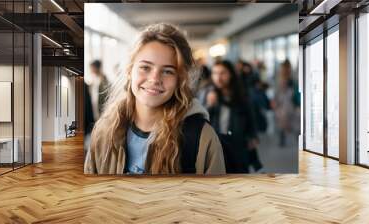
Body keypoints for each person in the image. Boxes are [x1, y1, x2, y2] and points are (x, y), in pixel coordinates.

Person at [84, 23, 225, 175]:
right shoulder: (104, 131)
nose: (155, 79)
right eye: (145, 67)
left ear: (180, 79)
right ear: (130, 71)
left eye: (168, 71)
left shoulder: (202, 138)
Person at [204, 60, 262, 173]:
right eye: (215, 73)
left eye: (222, 73)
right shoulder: (209, 93)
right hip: (218, 144)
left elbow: (250, 117)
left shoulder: (241, 94)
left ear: (230, 74)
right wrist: (209, 105)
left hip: (238, 144)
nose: (218, 77)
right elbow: (202, 120)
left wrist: (253, 136)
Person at [273, 59, 299, 147]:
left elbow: (294, 90)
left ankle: (294, 137)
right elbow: (277, 92)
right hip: (282, 103)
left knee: (293, 122)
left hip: (289, 103)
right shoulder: (280, 78)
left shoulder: (292, 77)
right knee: (282, 121)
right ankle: (283, 138)